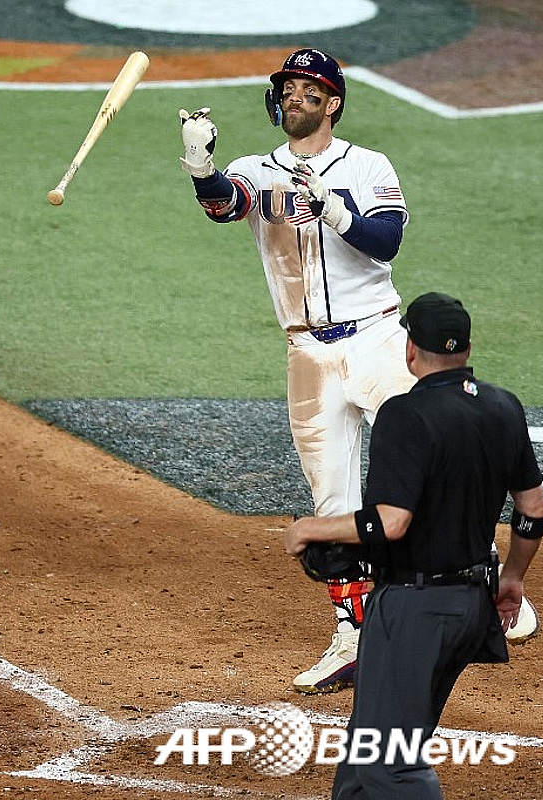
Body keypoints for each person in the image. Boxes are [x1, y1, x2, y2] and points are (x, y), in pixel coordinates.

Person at [178, 48, 416, 694]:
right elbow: (228, 204)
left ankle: (488, 583)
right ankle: (355, 634)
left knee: (429, 459)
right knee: (333, 501)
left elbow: (388, 238)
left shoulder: (367, 165)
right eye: (288, 88)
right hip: (307, 356)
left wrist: (335, 210)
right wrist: (202, 169)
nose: (295, 97)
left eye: (310, 89)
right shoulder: (260, 169)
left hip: (377, 341)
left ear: (333, 102)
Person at [284, 292, 543, 798]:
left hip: (414, 611)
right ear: (468, 347)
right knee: (364, 761)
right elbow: (533, 509)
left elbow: (391, 522)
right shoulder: (503, 407)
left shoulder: (404, 414)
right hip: (471, 606)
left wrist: (311, 530)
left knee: (391, 765)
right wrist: (512, 580)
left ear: (410, 350)